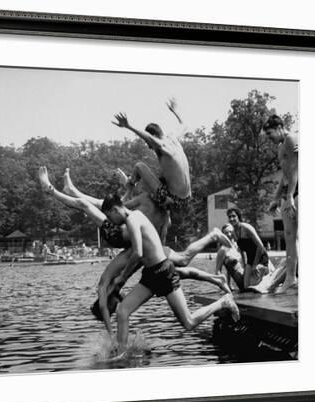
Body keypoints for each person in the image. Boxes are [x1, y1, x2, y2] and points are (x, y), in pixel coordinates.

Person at [38, 167, 231, 333]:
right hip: (125, 240)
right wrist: (129, 185)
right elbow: (123, 207)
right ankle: (57, 189)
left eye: (112, 309)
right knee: (182, 263)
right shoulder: (149, 205)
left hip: (126, 241)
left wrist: (129, 186)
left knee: (182, 262)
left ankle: (55, 190)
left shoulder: (105, 289)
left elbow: (105, 308)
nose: (114, 309)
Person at [100, 194, 239, 356]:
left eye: (109, 216)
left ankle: (223, 302)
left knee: (189, 322)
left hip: (163, 272)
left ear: (115, 209)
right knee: (122, 311)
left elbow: (137, 253)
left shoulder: (132, 219)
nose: (111, 222)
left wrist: (122, 277)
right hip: (150, 275)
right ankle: (121, 354)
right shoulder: (133, 217)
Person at [112, 100, 191, 210]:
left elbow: (149, 138)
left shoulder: (163, 146)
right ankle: (131, 184)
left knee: (139, 166)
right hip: (187, 199)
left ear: (153, 137)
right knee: (159, 177)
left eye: (148, 144)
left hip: (173, 200)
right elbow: (184, 125)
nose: (149, 147)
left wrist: (129, 126)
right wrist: (175, 111)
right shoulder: (173, 138)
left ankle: (128, 188)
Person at [264, 115, 298, 293]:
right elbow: (284, 176)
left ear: (279, 127)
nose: (269, 138)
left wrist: (291, 196)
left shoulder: (292, 138)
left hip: (299, 190)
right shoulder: (279, 147)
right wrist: (276, 198)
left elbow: (295, 170)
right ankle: (291, 278)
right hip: (289, 192)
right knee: (290, 237)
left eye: (270, 133)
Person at [226, 208, 274, 290]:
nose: (231, 219)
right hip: (250, 260)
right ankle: (267, 273)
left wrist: (255, 265)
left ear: (238, 217)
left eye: (234, 216)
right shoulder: (234, 232)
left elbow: (260, 246)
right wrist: (245, 265)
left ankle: (268, 270)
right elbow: (241, 250)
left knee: (255, 286)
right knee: (246, 287)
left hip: (260, 257)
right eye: (229, 217)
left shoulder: (246, 227)